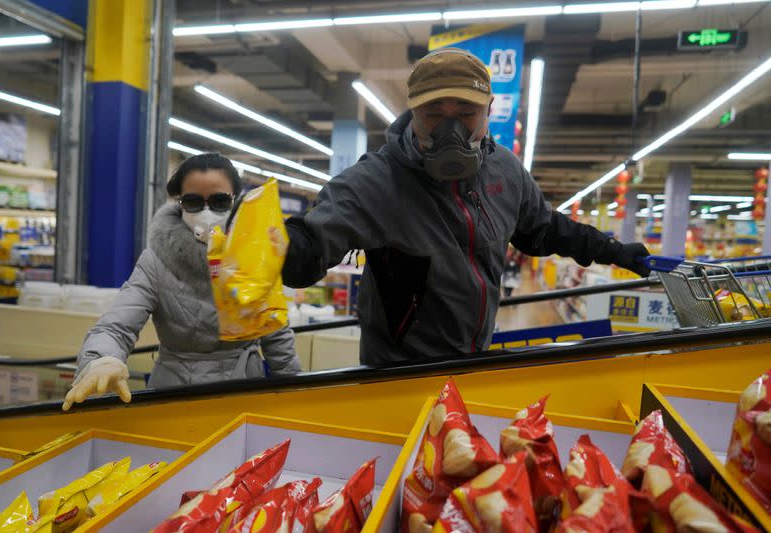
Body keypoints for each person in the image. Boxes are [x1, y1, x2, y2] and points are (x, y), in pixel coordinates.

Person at [281, 47, 650, 365]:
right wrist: (285, 249)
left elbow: (544, 229)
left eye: (466, 112)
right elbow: (316, 237)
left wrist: (614, 251)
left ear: (489, 109)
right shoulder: (378, 181)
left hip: (477, 359)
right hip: (399, 374)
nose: (450, 128)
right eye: (434, 113)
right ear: (412, 112)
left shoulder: (505, 171)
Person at [62, 153, 301, 411]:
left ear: (235, 201)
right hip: (175, 397)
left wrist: (296, 394)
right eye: (193, 201)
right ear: (179, 203)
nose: (207, 212)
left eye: (220, 201)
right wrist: (102, 359)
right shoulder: (156, 261)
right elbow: (115, 326)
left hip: (243, 392)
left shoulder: (255, 254)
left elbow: (276, 335)